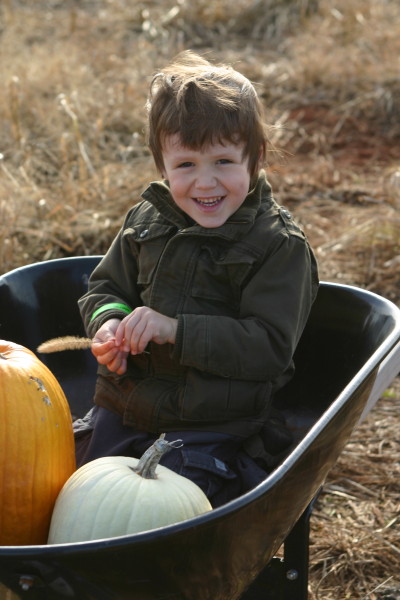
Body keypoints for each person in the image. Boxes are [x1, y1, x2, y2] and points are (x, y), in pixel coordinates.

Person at [74, 50, 319, 507]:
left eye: (223, 162)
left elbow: (268, 346)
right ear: (162, 166)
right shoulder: (146, 219)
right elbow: (105, 288)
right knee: (72, 489)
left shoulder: (278, 245)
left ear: (256, 157)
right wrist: (109, 324)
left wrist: (175, 330)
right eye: (186, 165)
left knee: (168, 509)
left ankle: (234, 489)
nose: (205, 183)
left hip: (214, 420)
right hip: (126, 404)